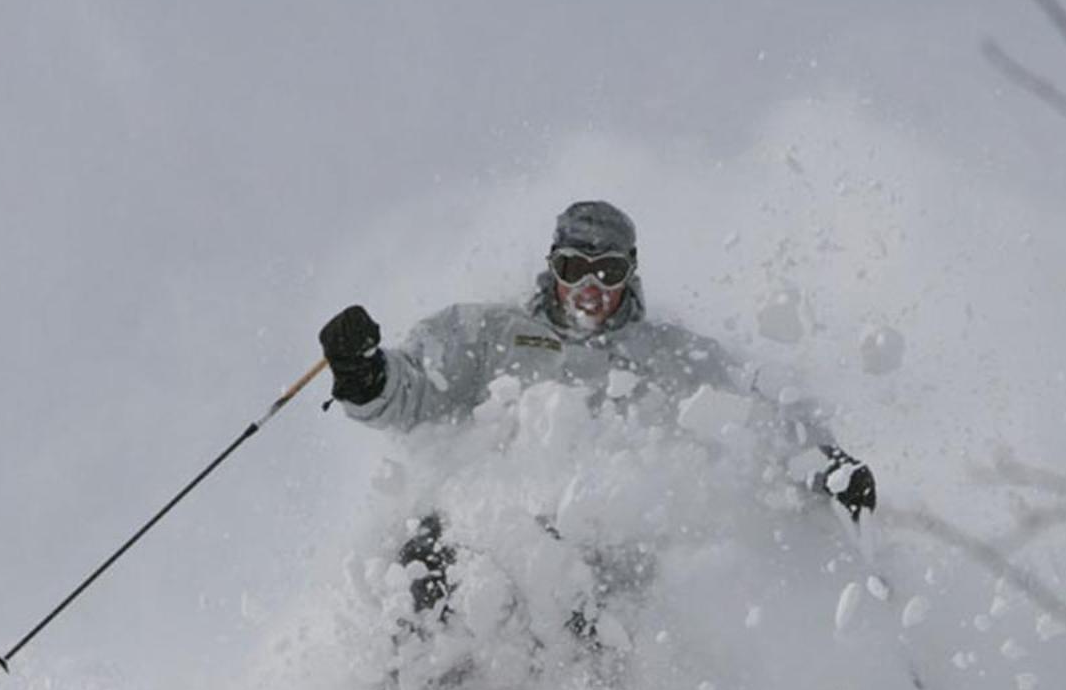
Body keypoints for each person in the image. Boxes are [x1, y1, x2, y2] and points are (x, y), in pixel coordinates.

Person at [317, 199, 877, 661]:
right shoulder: (489, 334)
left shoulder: (669, 356)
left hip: (596, 545)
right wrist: (364, 375)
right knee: (426, 545)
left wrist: (822, 464)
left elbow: (750, 418)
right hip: (493, 527)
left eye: (608, 271)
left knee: (584, 575)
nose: (591, 287)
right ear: (551, 268)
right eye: (572, 269)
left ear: (631, 272)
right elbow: (416, 391)